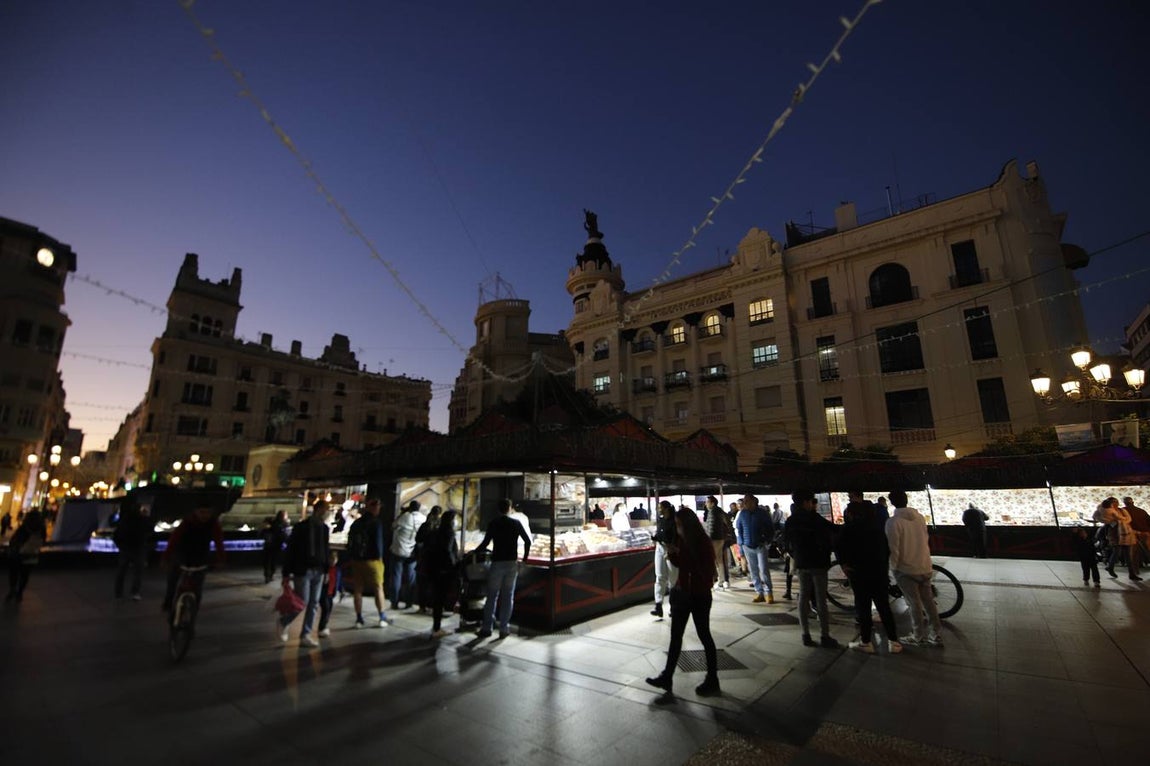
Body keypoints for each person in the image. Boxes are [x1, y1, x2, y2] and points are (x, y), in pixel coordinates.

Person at [645, 507, 720, 701]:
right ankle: (667, 677)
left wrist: (680, 556)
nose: (677, 528)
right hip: (682, 593)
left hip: (698, 596)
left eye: (679, 525)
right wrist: (673, 554)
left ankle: (712, 678)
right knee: (675, 637)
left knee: (704, 635)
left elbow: (706, 571)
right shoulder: (683, 539)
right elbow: (681, 564)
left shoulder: (702, 542)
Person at [836, 491, 901, 654]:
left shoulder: (848, 529)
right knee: (884, 606)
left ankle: (866, 642)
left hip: (859, 573)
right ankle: (895, 641)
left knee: (863, 606)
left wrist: (845, 564)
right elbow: (887, 550)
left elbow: (840, 548)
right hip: (878, 572)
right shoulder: (878, 528)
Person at [886, 489, 943, 646]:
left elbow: (894, 548)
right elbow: (925, 538)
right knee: (928, 601)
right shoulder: (919, 518)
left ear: (892, 502)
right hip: (924, 565)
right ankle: (936, 634)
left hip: (906, 569)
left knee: (914, 603)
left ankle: (918, 635)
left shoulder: (893, 522)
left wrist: (894, 568)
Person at [785, 490, 838, 648]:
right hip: (818, 563)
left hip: (801, 563)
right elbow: (833, 530)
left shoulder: (791, 520)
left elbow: (787, 543)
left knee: (803, 597)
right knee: (821, 599)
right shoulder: (814, 518)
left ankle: (805, 635)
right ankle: (824, 635)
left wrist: (795, 554)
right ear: (806, 502)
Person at [475, 498, 532, 639]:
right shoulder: (516, 523)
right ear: (510, 508)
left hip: (497, 562)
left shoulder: (493, 523)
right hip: (512, 563)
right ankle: (504, 628)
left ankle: (487, 628)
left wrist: (474, 552)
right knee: (508, 597)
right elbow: (527, 541)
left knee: (492, 596)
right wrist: (524, 559)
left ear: (498, 509)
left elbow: (485, 543)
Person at [279, 500, 332, 647]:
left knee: (314, 603)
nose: (327, 512)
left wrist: (326, 570)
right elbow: (291, 549)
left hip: (319, 570)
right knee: (302, 601)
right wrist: (286, 572)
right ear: (319, 509)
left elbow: (325, 550)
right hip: (303, 570)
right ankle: (285, 621)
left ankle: (306, 634)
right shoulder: (302, 527)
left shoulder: (324, 529)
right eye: (326, 509)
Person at [161, 505, 225, 612]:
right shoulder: (187, 523)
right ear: (195, 512)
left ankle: (193, 613)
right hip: (182, 553)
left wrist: (221, 560)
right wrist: (165, 558)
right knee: (173, 579)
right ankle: (168, 603)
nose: (204, 515)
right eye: (202, 512)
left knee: (197, 587)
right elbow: (173, 540)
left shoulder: (213, 524)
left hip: (201, 555)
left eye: (207, 512)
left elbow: (219, 543)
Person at [347, 497, 389, 628]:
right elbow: (378, 543)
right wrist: (380, 558)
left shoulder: (356, 523)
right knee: (378, 588)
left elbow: (350, 543)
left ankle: (359, 619)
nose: (378, 508)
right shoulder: (376, 523)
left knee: (358, 590)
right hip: (373, 561)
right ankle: (382, 617)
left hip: (357, 560)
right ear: (372, 507)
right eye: (377, 506)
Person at [428, 510, 462, 638]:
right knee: (440, 598)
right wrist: (453, 564)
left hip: (435, 568)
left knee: (438, 598)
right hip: (444, 570)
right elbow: (448, 550)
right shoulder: (449, 533)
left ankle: (436, 626)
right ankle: (437, 628)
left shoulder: (437, 531)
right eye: (455, 519)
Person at [736, 494, 774, 603]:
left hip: (760, 545)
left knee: (763, 570)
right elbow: (739, 528)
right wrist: (742, 543)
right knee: (753, 571)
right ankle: (759, 592)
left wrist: (767, 541)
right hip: (747, 546)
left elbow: (770, 528)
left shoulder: (762, 513)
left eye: (747, 501)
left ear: (753, 501)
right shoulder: (743, 514)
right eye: (744, 501)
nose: (745, 503)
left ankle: (769, 592)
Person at [113, 498, 152, 600]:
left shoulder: (125, 519)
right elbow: (148, 531)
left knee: (122, 571)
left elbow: (117, 534)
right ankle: (134, 592)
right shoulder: (142, 520)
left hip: (126, 547)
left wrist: (120, 545)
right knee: (137, 572)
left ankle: (119, 593)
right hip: (138, 548)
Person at [389, 501, 426, 610]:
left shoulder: (405, 516)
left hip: (399, 551)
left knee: (396, 576)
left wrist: (403, 513)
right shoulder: (423, 518)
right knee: (411, 578)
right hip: (413, 552)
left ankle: (394, 602)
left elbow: (393, 526)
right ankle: (409, 602)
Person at [1094, 497, 1140, 581]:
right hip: (1115, 533)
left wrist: (1121, 521)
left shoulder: (1122, 511)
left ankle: (1132, 574)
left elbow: (1129, 518)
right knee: (1117, 552)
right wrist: (1111, 521)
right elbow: (1100, 518)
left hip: (1126, 533)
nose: (1116, 504)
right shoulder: (1105, 511)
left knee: (1128, 555)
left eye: (1116, 502)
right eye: (1114, 503)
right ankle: (1110, 567)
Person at [6, 510, 46, 603]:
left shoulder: (25, 527)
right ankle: (20, 593)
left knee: (14, 573)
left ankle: (12, 590)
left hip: (18, 555)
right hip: (31, 555)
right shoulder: (41, 529)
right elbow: (42, 541)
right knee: (25, 575)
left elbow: (14, 540)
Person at [650, 500, 678, 618]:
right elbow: (660, 534)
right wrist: (654, 537)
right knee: (660, 576)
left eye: (660, 507)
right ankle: (658, 605)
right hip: (660, 548)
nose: (658, 509)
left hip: (670, 549)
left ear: (666, 508)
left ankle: (674, 607)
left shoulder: (674, 521)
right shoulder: (661, 520)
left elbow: (676, 537)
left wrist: (672, 548)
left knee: (673, 580)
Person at [414, 505, 444, 614]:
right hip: (437, 559)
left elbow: (417, 539)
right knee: (434, 584)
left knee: (423, 584)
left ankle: (422, 606)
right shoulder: (441, 526)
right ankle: (432, 606)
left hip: (425, 557)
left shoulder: (425, 525)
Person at [702, 496, 730, 589]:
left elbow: (712, 528)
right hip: (720, 538)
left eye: (707, 502)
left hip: (715, 539)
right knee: (719, 559)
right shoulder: (718, 511)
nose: (706, 504)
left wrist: (708, 538)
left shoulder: (713, 512)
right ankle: (721, 580)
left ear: (712, 503)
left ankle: (721, 580)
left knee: (717, 560)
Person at [262, 510, 290, 584]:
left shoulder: (272, 522)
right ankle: (270, 575)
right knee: (273, 561)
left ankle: (267, 575)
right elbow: (285, 535)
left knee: (267, 561)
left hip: (268, 545)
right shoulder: (284, 524)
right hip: (276, 545)